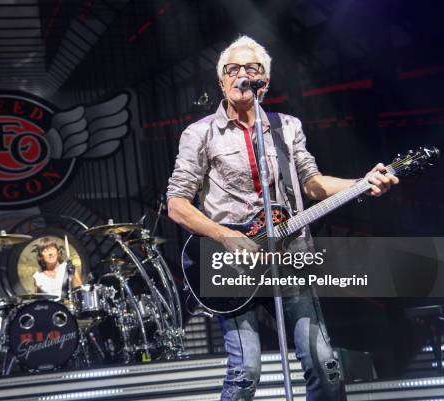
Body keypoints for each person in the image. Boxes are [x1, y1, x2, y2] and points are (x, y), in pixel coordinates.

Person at [166, 35, 398, 401]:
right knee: (245, 372)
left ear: (265, 82)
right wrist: (226, 236)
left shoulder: (287, 127)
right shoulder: (199, 134)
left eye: (252, 68)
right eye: (233, 69)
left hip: (290, 259)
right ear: (222, 80)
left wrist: (360, 183)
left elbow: (313, 184)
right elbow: (177, 204)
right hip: (231, 265)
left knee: (325, 364)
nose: (242, 74)